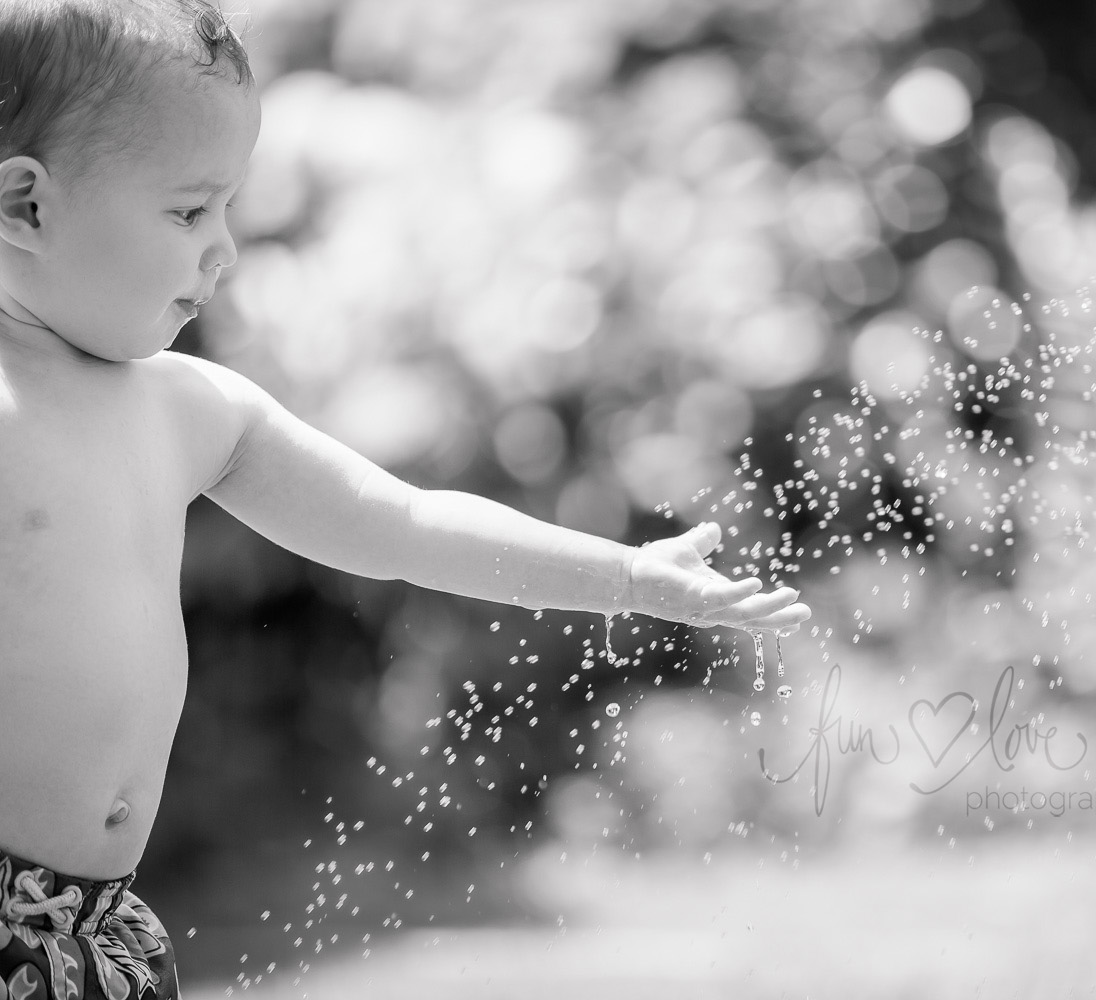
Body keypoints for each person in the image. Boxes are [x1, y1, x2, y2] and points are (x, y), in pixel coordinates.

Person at [0, 2, 810, 996]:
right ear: (26, 207)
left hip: (102, 935)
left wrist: (628, 575)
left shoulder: (190, 410)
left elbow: (404, 525)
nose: (224, 250)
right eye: (186, 211)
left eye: (227, 209)